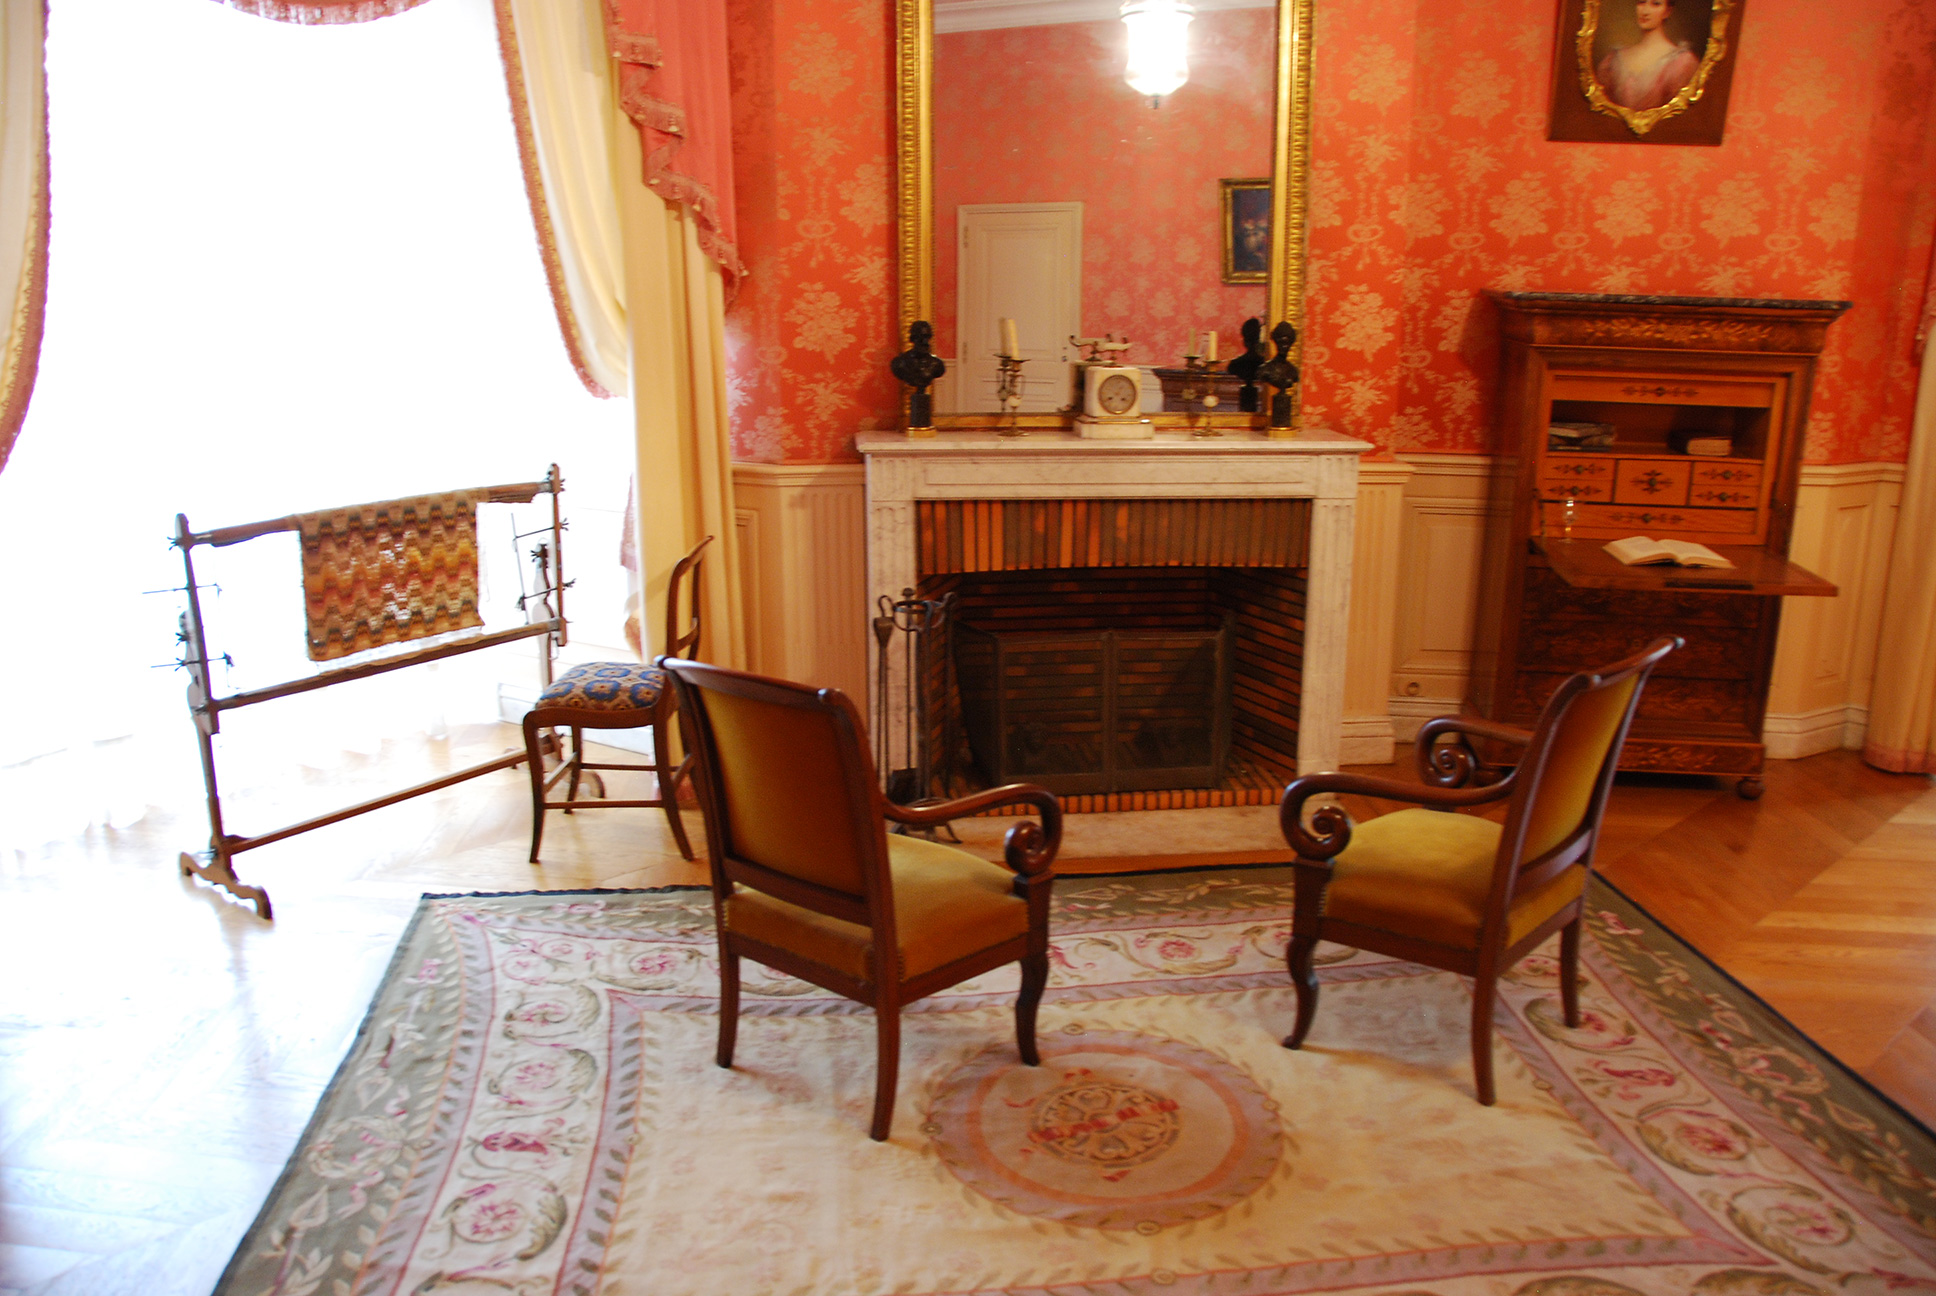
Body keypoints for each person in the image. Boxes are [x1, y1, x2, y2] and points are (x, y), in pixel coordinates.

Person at [1595, 0, 1700, 111]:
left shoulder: (1682, 62)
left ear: (1667, 11)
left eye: (1656, 4)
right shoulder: (1613, 60)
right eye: (1641, 2)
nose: (1645, 12)